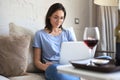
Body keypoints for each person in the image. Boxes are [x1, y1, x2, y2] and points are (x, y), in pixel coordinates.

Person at [33, 3, 80, 80]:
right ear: (49, 16)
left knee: (104, 59)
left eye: (61, 18)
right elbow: (36, 61)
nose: (59, 21)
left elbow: (76, 53)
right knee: (56, 69)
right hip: (53, 68)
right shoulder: (40, 34)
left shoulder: (67, 33)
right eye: (55, 17)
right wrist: (45, 67)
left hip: (67, 66)